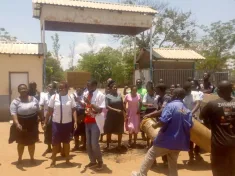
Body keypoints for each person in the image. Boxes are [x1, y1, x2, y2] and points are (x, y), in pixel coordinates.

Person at [132, 88, 193, 176]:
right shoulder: (187, 110)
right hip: (179, 142)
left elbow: (163, 120)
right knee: (172, 160)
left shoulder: (171, 106)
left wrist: (155, 125)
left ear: (175, 95)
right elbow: (189, 125)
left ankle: (141, 174)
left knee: (151, 154)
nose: (171, 95)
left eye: (172, 94)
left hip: (166, 140)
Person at [200, 80, 235, 176]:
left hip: (219, 144)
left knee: (218, 170)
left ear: (219, 91)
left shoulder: (212, 105)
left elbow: (202, 117)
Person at [43, 81, 78, 167]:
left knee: (66, 143)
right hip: (56, 124)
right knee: (55, 143)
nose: (60, 89)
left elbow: (74, 110)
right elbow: (49, 110)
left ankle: (67, 160)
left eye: (62, 87)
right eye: (59, 87)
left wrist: (76, 121)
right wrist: (45, 122)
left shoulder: (70, 97)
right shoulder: (54, 97)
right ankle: (53, 160)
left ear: (66, 88)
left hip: (67, 124)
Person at [9, 84, 42, 165]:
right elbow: (13, 114)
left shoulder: (34, 99)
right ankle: (20, 158)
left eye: (24, 88)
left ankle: (32, 158)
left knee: (32, 142)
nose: (23, 90)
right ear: (18, 91)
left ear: (27, 89)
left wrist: (42, 120)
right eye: (21, 89)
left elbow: (38, 110)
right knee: (21, 142)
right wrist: (17, 124)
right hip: (21, 123)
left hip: (32, 123)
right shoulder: (15, 101)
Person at [144, 83, 171, 165]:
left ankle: (164, 160)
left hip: (166, 123)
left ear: (161, 89)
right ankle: (154, 161)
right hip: (159, 122)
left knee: (163, 142)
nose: (155, 90)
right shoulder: (159, 98)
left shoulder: (167, 98)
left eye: (157, 89)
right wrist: (150, 114)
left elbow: (162, 110)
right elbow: (158, 109)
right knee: (155, 141)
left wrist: (150, 114)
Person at [82, 80, 105, 170]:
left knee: (94, 143)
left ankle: (100, 161)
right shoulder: (87, 93)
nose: (88, 88)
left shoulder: (100, 95)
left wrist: (89, 103)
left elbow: (100, 110)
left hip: (96, 121)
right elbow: (85, 106)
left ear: (95, 85)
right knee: (88, 144)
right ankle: (92, 161)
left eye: (90, 86)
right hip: (87, 121)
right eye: (87, 86)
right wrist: (80, 102)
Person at [183, 81, 203, 163]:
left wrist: (191, 113)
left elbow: (198, 104)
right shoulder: (183, 96)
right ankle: (191, 156)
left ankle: (197, 152)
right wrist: (187, 114)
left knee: (199, 138)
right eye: (186, 90)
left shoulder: (195, 94)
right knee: (189, 139)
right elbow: (180, 108)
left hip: (197, 119)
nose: (187, 91)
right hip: (187, 120)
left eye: (188, 90)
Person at [104, 81, 125, 150]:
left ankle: (119, 145)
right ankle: (108, 145)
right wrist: (116, 110)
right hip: (111, 116)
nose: (115, 88)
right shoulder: (107, 96)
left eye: (116, 87)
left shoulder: (119, 95)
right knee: (109, 131)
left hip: (119, 116)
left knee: (120, 130)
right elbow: (107, 106)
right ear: (110, 88)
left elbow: (122, 105)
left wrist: (125, 112)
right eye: (114, 87)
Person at [40, 83, 55, 155]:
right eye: (49, 87)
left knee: (55, 132)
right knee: (47, 132)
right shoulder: (44, 96)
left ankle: (57, 147)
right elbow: (42, 106)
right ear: (47, 88)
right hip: (46, 116)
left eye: (52, 87)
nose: (50, 88)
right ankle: (49, 147)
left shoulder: (57, 96)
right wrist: (42, 118)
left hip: (56, 116)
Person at [142, 82, 158, 147]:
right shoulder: (146, 95)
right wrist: (148, 104)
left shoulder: (156, 95)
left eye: (150, 89)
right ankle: (148, 143)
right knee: (148, 127)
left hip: (155, 111)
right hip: (148, 111)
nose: (149, 90)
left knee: (155, 126)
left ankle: (153, 142)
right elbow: (143, 103)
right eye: (148, 89)